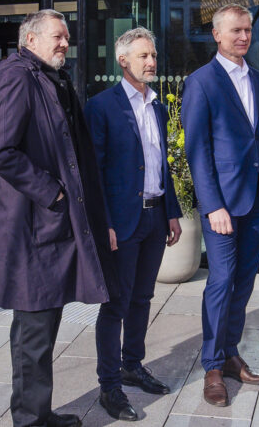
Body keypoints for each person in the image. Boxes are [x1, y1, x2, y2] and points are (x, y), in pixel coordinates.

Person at [0, 10, 115, 427]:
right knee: (34, 331)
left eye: (67, 38)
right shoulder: (17, 74)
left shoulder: (48, 76)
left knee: (41, 326)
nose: (65, 44)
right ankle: (30, 420)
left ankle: (38, 413)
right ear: (31, 38)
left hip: (49, 226)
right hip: (30, 229)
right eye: (58, 37)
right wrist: (51, 190)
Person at [181, 4, 259, 407]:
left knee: (243, 281)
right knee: (221, 282)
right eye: (236, 30)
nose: (244, 36)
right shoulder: (200, 82)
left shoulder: (258, 80)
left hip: (258, 197)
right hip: (222, 204)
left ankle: (230, 352)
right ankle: (211, 365)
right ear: (217, 35)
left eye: (248, 30)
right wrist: (212, 206)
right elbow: (197, 150)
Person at [85, 28, 183, 422]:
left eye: (154, 55)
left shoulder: (158, 106)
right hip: (121, 221)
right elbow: (94, 173)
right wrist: (103, 222)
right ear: (122, 60)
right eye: (143, 55)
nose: (152, 62)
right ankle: (109, 385)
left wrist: (172, 211)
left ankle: (132, 364)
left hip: (155, 218)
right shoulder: (102, 107)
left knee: (142, 299)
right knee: (115, 304)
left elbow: (164, 166)